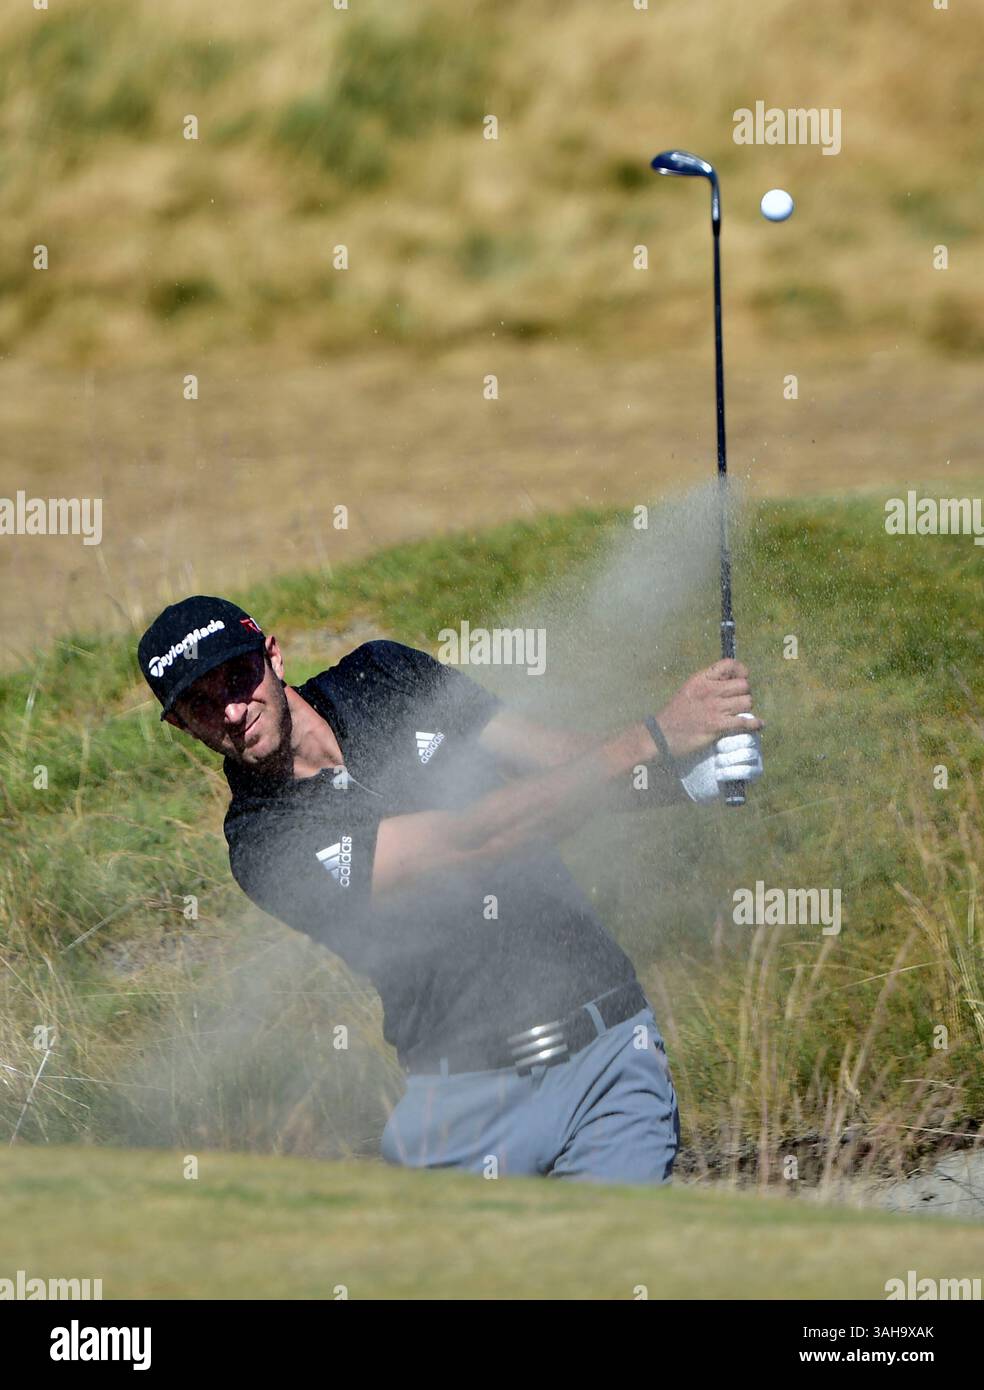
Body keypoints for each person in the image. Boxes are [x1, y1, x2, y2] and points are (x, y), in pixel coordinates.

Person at [137, 594, 763, 1184]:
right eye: (199, 703)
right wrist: (654, 736)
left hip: (611, 1056)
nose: (232, 710)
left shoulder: (382, 673)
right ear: (181, 726)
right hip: (464, 1111)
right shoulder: (264, 844)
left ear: (273, 657)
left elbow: (553, 760)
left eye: (237, 678)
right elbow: (471, 841)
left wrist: (682, 775)